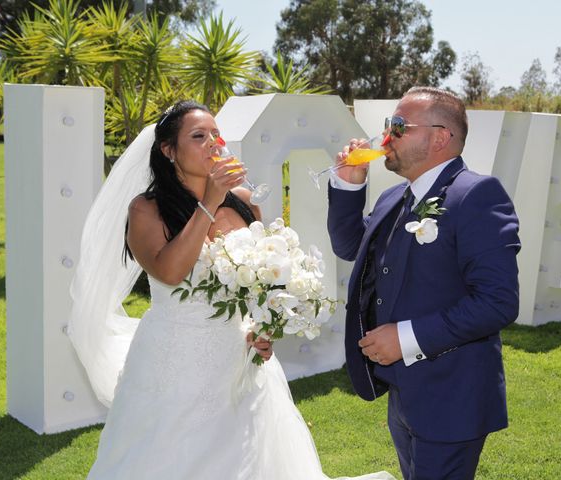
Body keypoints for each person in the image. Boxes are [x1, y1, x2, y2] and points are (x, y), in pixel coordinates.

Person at [69, 100, 395, 480]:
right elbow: (170, 271)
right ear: (168, 150)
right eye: (198, 136)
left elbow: (261, 277)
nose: (212, 142)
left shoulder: (242, 200)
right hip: (174, 360)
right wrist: (209, 199)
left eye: (215, 134)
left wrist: (265, 327)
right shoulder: (147, 209)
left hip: (240, 359)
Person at [327, 87, 521, 480]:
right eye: (387, 125)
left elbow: (498, 301)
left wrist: (406, 338)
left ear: (439, 137)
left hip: (452, 395)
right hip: (403, 393)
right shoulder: (393, 197)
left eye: (398, 126)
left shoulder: (477, 195)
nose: (386, 137)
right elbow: (351, 247)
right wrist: (349, 185)